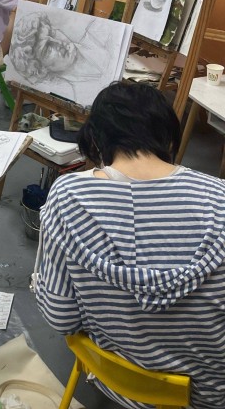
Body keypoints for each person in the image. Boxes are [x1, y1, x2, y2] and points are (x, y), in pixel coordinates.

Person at [35, 82, 225, 408]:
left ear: (96, 140)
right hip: (205, 397)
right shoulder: (219, 199)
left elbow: (60, 317)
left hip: (116, 380)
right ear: (168, 138)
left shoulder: (67, 198)